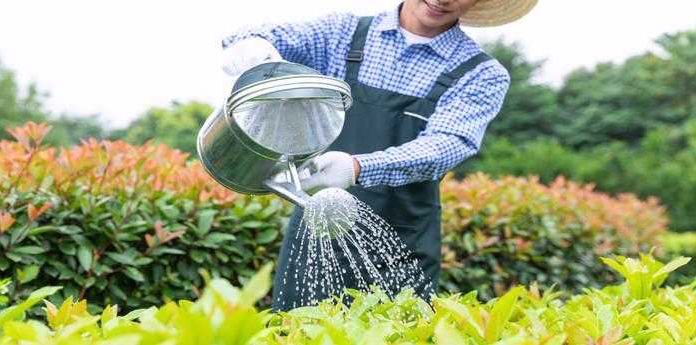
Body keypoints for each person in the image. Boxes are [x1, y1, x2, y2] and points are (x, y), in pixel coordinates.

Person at [221, 0, 538, 311]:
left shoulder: (479, 73)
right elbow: (258, 35)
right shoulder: (343, 34)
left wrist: (357, 167)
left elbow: (446, 144)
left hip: (401, 246)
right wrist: (252, 49)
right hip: (316, 233)